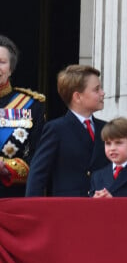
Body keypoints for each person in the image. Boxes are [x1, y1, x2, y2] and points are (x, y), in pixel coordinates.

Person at [26, 65, 108, 197]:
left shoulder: (106, 129)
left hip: (101, 209)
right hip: (67, 209)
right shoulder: (56, 129)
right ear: (77, 97)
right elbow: (37, 175)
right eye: (96, 89)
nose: (102, 93)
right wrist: (35, 212)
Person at [0, 35, 46, 197]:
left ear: (11, 69)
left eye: (2, 62)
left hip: (10, 196)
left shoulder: (31, 104)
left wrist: (7, 167)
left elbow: (39, 156)